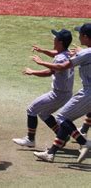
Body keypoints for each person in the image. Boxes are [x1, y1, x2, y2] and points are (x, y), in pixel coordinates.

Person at [32, 23, 91, 163]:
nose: (78, 36)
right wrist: (80, 52)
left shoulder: (85, 53)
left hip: (88, 92)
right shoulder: (85, 52)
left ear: (86, 37)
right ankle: (51, 153)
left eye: (80, 34)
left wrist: (41, 63)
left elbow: (61, 66)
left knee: (61, 118)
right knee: (66, 120)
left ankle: (84, 142)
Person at [13, 29, 74, 148]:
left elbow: (49, 72)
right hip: (66, 93)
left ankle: (30, 140)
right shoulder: (68, 53)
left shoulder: (60, 59)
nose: (53, 39)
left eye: (55, 38)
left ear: (60, 42)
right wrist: (42, 50)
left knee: (31, 110)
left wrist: (33, 71)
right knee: (44, 113)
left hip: (58, 94)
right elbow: (55, 53)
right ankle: (62, 135)